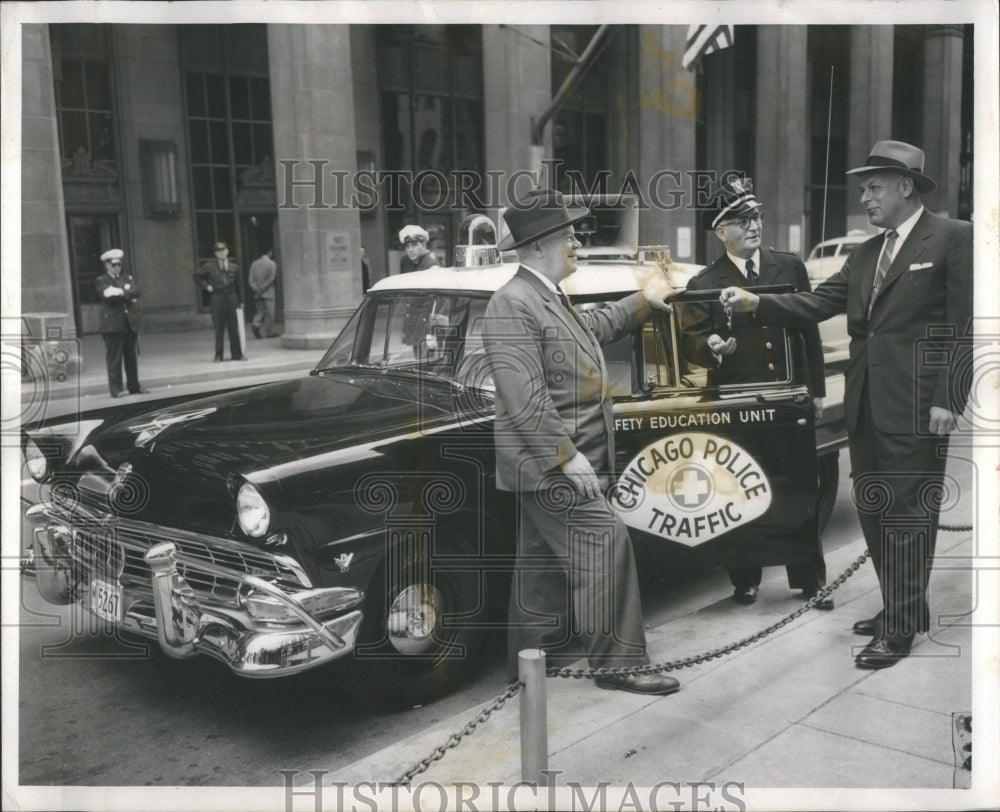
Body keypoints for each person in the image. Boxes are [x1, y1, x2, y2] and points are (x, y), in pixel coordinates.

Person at [720, 141, 973, 669]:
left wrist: (949, 399)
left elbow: (963, 328)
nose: (865, 196)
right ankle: (902, 609)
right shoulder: (863, 254)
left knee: (908, 515)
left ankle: (900, 628)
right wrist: (755, 303)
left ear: (906, 186)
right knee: (877, 513)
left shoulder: (953, 238)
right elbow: (816, 302)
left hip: (918, 408)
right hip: (865, 406)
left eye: (874, 186)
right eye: (863, 188)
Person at [483, 189, 683, 696]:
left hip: (556, 462)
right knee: (605, 541)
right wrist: (566, 457)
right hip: (552, 465)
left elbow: (593, 327)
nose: (576, 240)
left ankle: (531, 661)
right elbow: (523, 396)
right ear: (538, 246)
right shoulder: (511, 303)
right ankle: (620, 663)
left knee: (540, 562)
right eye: (567, 234)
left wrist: (642, 303)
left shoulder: (545, 296)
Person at [683, 176, 831, 610]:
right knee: (738, 490)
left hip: (788, 398)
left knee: (799, 488)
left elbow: (809, 334)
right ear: (720, 230)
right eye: (743, 219)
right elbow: (693, 342)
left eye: (757, 216)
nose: (755, 225)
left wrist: (816, 390)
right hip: (736, 403)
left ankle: (810, 580)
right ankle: (745, 581)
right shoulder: (705, 282)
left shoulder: (788, 267)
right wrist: (710, 347)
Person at [95, 248, 148, 398]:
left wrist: (119, 292)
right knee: (114, 358)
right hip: (112, 325)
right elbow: (107, 296)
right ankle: (116, 389)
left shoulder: (127, 278)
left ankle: (134, 386)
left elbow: (137, 292)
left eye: (119, 264)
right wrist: (126, 294)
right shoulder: (102, 280)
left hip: (128, 323)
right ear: (107, 265)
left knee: (131, 357)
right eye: (113, 265)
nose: (117, 267)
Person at [194, 241, 247, 362]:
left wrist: (241, 300)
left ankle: (237, 354)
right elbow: (196, 276)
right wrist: (206, 286)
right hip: (217, 298)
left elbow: (240, 285)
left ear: (227, 251)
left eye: (223, 250)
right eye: (218, 251)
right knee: (219, 328)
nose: (221, 253)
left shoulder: (234, 267)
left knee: (234, 327)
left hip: (232, 298)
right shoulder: (209, 266)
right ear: (215, 254)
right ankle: (218, 355)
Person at [248, 248, 279, 338]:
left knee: (260, 311)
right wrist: (262, 288)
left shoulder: (254, 263)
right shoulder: (272, 263)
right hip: (268, 292)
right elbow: (271, 278)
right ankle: (269, 332)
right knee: (270, 313)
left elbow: (251, 278)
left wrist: (256, 289)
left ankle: (255, 324)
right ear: (270, 252)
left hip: (257, 293)